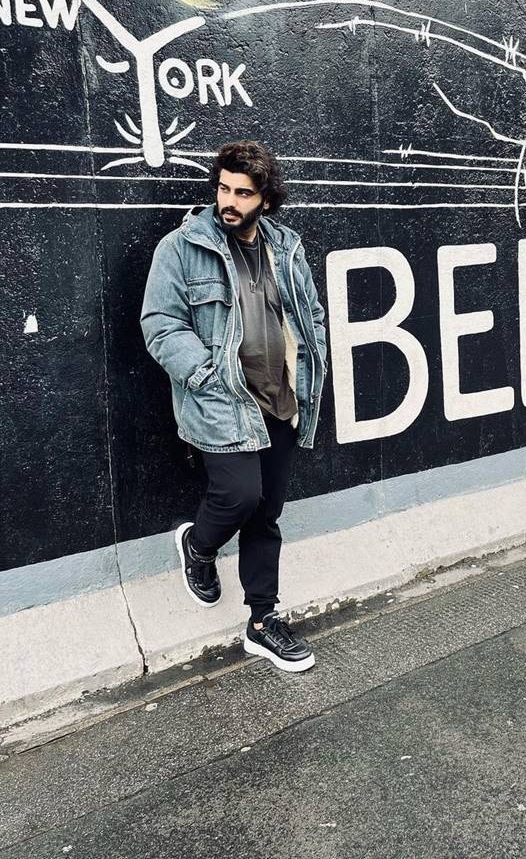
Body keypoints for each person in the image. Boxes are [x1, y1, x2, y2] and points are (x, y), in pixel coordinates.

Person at [140, 140, 327, 672]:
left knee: (266, 513)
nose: (230, 200)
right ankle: (199, 546)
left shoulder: (286, 247)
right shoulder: (181, 248)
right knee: (240, 496)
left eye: (243, 193)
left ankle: (262, 621)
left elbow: (309, 313)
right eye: (224, 188)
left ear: (265, 199)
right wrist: (204, 374)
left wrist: (312, 365)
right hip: (223, 403)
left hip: (281, 401)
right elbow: (160, 324)